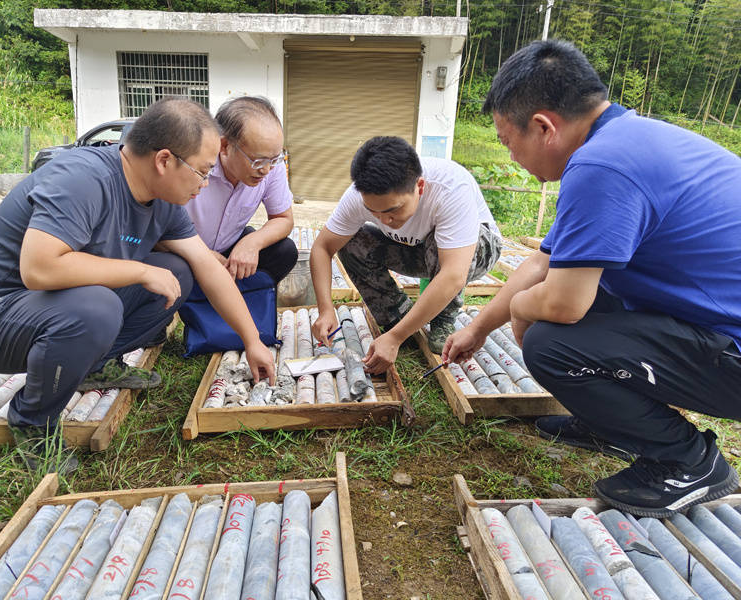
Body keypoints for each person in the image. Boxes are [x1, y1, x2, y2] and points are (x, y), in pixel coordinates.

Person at [443, 39, 741, 517]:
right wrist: (478, 329)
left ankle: (688, 462)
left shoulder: (602, 165)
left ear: (544, 127)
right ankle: (609, 421)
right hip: (717, 330)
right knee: (585, 292)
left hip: (733, 354)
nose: (512, 156)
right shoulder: (624, 140)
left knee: (549, 342)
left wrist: (519, 310)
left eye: (506, 142)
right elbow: (543, 264)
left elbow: (564, 304)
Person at [0, 98, 275, 473]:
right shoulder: (84, 180)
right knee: (99, 308)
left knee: (177, 271)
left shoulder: (163, 201)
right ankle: (33, 419)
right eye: (202, 172)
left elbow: (207, 266)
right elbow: (39, 269)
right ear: (164, 160)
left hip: (53, 305)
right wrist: (138, 272)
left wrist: (252, 340)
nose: (205, 184)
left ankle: (94, 365)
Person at [310, 136, 501, 374]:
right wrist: (325, 309)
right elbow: (322, 247)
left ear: (419, 187)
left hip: (473, 251)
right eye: (374, 212)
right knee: (352, 242)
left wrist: (395, 338)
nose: (385, 220)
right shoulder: (359, 195)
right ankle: (397, 316)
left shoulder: (450, 188)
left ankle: (443, 319)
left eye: (393, 210)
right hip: (416, 250)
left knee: (440, 243)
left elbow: (453, 274)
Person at [185, 95, 296, 284]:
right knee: (175, 267)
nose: (266, 170)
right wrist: (203, 255)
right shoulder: (192, 164)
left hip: (228, 249)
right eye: (257, 161)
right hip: (185, 249)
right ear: (225, 146)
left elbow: (284, 219)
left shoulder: (271, 165)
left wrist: (252, 243)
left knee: (285, 251)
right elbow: (162, 232)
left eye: (274, 159)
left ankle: (246, 295)